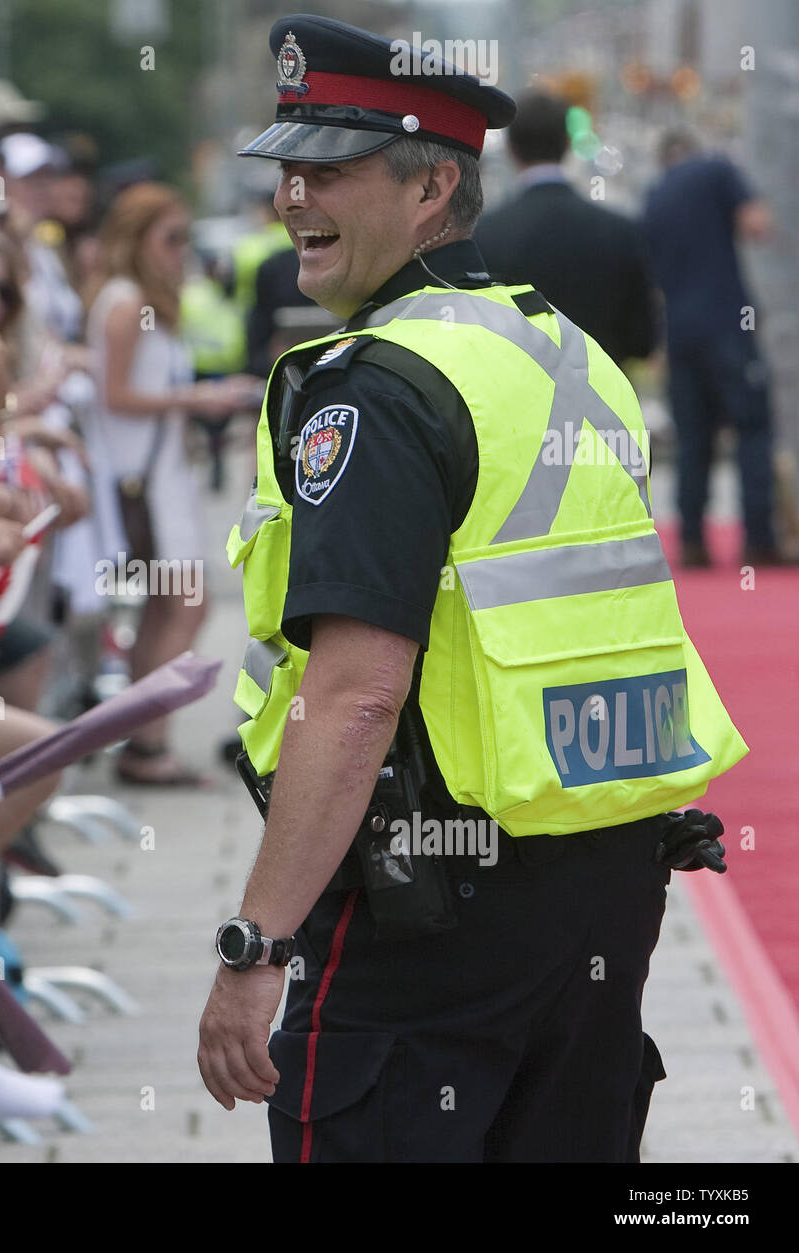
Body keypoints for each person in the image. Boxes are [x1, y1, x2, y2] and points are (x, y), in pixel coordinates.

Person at [197, 15, 746, 1163]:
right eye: (287, 173)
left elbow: (351, 697)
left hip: (429, 906)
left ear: (433, 184)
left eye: (329, 172)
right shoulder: (561, 350)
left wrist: (256, 943)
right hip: (600, 879)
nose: (294, 199)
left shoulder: (379, 386)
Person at [84, 182, 256, 784]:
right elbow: (115, 395)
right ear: (138, 239)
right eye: (171, 237)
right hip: (145, 482)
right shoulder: (129, 301)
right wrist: (198, 397)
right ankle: (146, 744)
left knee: (168, 607)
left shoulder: (140, 297)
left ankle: (144, 742)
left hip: (159, 476)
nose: (181, 249)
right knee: (184, 603)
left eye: (185, 237)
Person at [643, 130, 785, 566]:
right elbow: (756, 224)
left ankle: (692, 542)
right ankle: (759, 539)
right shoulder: (718, 171)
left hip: (680, 333)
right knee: (752, 428)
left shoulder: (654, 196)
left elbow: (648, 270)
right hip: (727, 325)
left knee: (692, 437)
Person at [475, 90, 656, 368]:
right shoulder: (621, 231)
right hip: (603, 403)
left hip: (517, 402)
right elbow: (642, 341)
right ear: (568, 143)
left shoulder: (484, 235)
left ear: (511, 150)